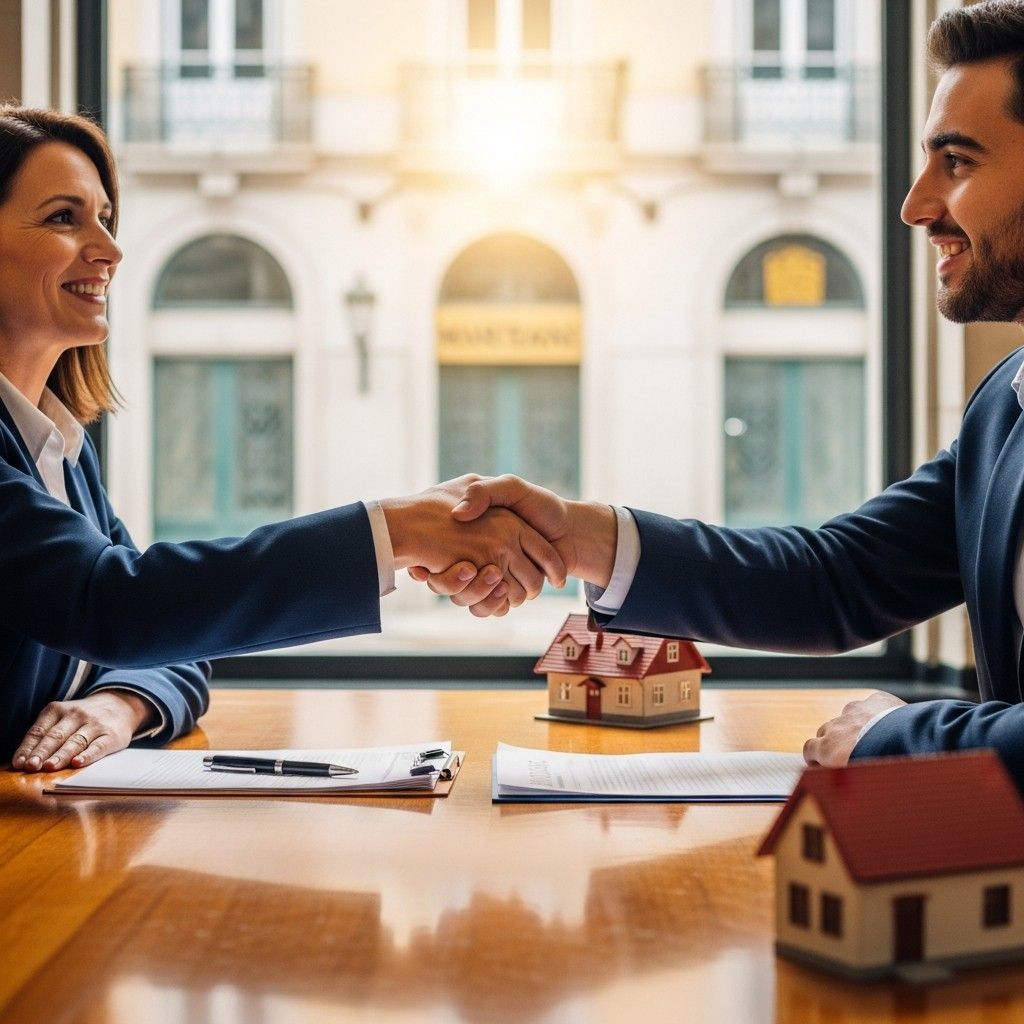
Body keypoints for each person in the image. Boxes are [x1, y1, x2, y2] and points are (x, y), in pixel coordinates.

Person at [414, 0, 1024, 790]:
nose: (916, 205)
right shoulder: (1003, 411)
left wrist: (900, 735)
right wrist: (578, 537)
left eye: (959, 162)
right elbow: (836, 580)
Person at [0, 105, 565, 774]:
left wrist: (122, 703)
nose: (111, 250)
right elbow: (115, 604)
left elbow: (171, 636)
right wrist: (398, 531)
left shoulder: (61, 446)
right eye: (64, 217)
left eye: (105, 219)